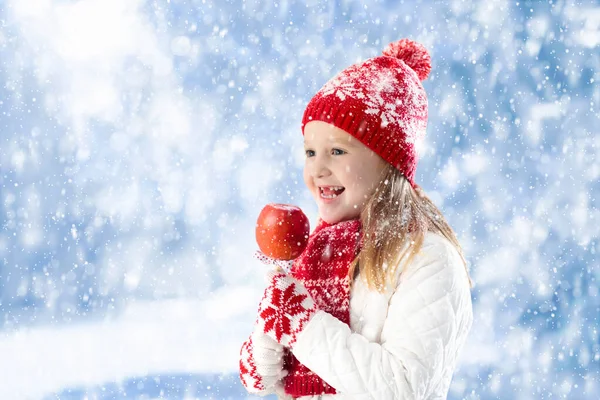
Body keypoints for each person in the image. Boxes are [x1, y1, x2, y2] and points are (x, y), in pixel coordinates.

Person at [239, 38, 474, 399]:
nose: (317, 169)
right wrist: (271, 328)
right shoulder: (316, 253)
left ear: (388, 160)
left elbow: (403, 388)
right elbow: (265, 381)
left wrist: (301, 324)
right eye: (310, 152)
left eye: (336, 151)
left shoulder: (428, 258)